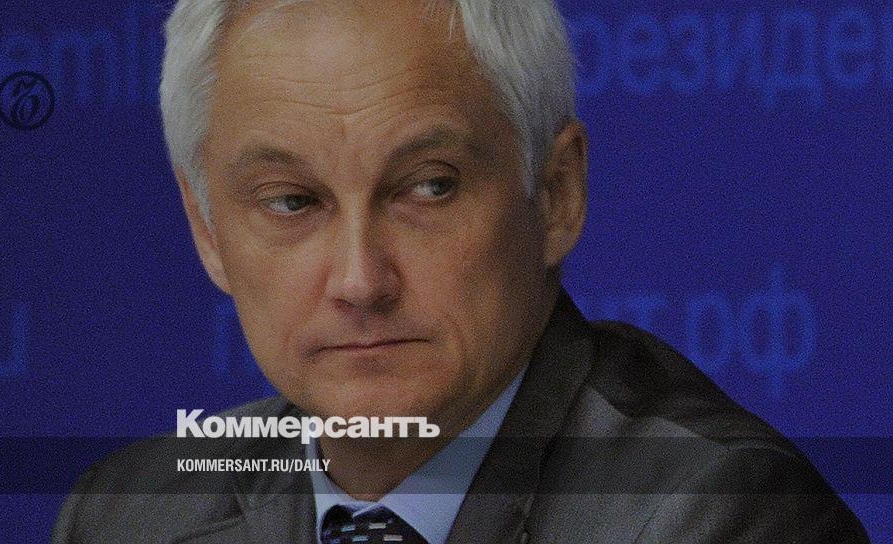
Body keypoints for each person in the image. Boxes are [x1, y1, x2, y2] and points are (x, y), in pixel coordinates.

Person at [52, 0, 870, 542]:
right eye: (293, 202)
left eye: (428, 187)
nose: (360, 281)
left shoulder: (715, 515)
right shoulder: (128, 515)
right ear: (207, 231)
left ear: (556, 194)